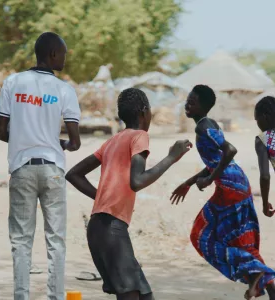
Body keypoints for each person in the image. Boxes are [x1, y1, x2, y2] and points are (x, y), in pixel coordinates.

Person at [66, 88, 192, 300]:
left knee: (144, 295)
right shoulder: (140, 136)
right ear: (144, 112)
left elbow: (74, 174)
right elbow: (137, 181)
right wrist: (172, 157)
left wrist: (103, 198)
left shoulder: (113, 141)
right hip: (112, 229)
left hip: (99, 228)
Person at [171, 85, 275, 300]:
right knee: (242, 242)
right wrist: (189, 182)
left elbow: (230, 151)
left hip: (230, 187)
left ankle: (257, 273)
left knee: (201, 235)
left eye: (193, 101)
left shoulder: (203, 127)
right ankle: (273, 293)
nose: (188, 104)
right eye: (188, 100)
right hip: (235, 184)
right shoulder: (207, 125)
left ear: (204, 106)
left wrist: (210, 179)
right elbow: (216, 160)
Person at [0, 32, 81, 300]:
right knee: (56, 239)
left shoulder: (13, 82)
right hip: (53, 169)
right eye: (64, 54)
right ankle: (55, 297)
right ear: (53, 54)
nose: (65, 59)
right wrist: (63, 144)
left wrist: (22, 137)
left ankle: (21, 296)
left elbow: (0, 131)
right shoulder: (65, 90)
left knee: (21, 240)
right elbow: (75, 141)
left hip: (22, 169)